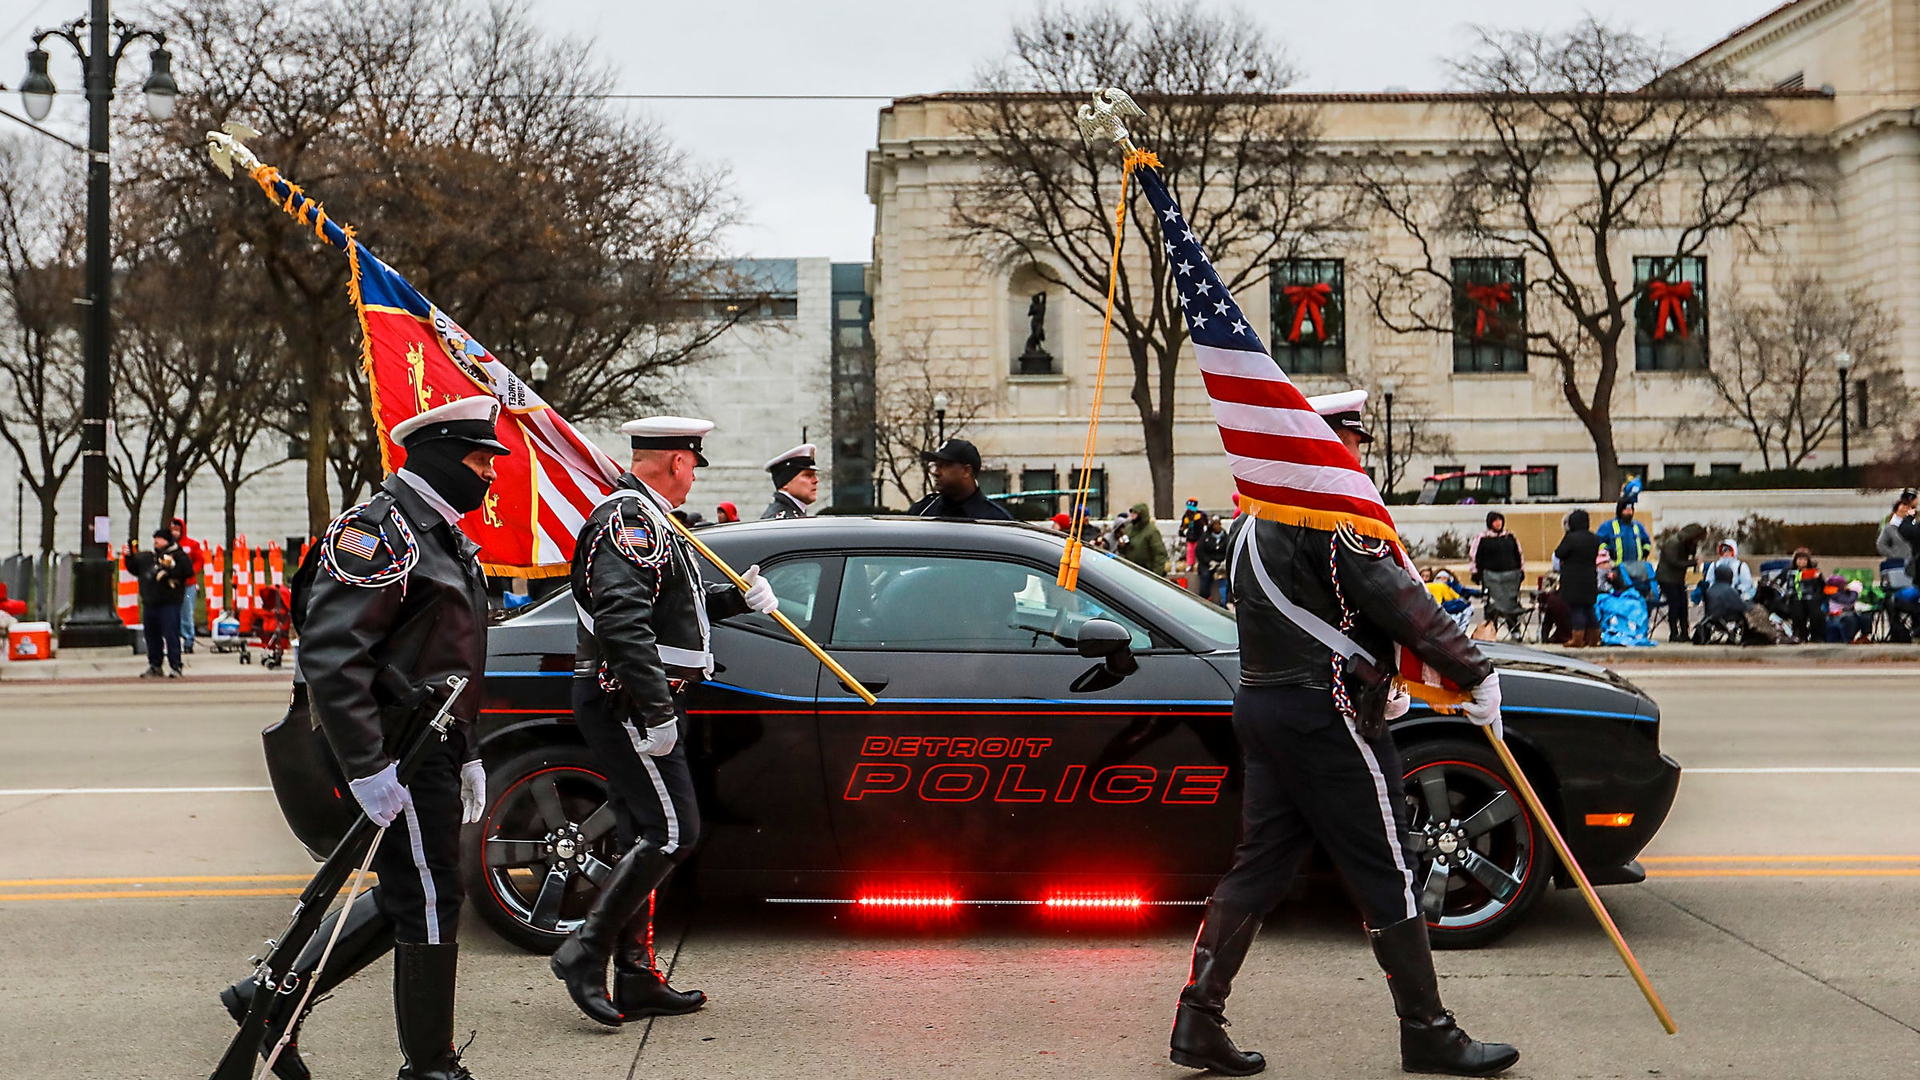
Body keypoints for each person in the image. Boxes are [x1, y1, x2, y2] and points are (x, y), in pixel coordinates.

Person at [1171, 387, 1516, 1079]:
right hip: (1326, 715)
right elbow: (1401, 603)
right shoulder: (1331, 519)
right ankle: (1428, 1031)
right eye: (1351, 440)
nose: (1357, 453)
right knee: (1387, 866)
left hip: (1268, 709)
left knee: (1261, 868)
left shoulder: (1248, 526)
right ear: (1324, 445)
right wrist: (1473, 670)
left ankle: (1197, 1019)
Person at [220, 397, 506, 1080]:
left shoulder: (441, 535)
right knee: (432, 898)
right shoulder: (382, 530)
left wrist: (466, 750)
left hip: (430, 749)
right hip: (393, 753)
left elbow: (447, 658)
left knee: (421, 891)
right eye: (478, 460)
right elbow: (332, 654)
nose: (490, 475)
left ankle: (268, 995)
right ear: (436, 455)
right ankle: (430, 1067)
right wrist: (367, 765)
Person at [551, 416, 779, 1027]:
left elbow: (669, 608)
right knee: (673, 833)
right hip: (629, 699)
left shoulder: (650, 518)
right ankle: (585, 951)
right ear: (678, 462)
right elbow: (623, 624)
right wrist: (655, 711)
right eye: (691, 466)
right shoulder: (631, 520)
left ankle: (636, 975)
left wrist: (738, 598)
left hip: (637, 697)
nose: (692, 480)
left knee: (641, 836)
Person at [125, 528, 193, 678]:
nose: (156, 541)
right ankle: (155, 665)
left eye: (159, 538)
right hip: (150, 602)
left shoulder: (178, 555)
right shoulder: (149, 557)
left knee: (171, 633)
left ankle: (175, 665)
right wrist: (129, 557)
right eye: (155, 538)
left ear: (167, 540)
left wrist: (169, 573)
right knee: (151, 635)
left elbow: (188, 571)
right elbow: (135, 569)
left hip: (170, 602)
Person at [908, 438, 1013, 520]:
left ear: (966, 471)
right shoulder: (922, 512)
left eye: (944, 465)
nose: (936, 472)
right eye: (936, 465)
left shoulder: (995, 519)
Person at [1469, 512, 1524, 638]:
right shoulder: (1482, 538)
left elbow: (1519, 554)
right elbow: (1474, 555)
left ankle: (1514, 629)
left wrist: (1521, 571)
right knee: (1492, 605)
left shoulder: (1510, 537)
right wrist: (1475, 572)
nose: (1498, 523)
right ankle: (1490, 630)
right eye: (1495, 521)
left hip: (1510, 579)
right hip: (1490, 578)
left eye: (1500, 520)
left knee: (1510, 602)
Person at [1552, 509, 1602, 647]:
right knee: (1589, 608)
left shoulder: (1571, 538)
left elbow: (1559, 553)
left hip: (1573, 578)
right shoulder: (1594, 538)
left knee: (1577, 608)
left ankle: (1578, 638)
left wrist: (1567, 535)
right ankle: (1594, 637)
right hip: (1590, 576)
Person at [1654, 523, 1707, 644]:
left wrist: (1693, 549)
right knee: (1675, 603)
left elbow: (1687, 555)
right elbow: (1675, 562)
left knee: (1683, 604)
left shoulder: (1685, 543)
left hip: (1677, 578)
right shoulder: (1673, 543)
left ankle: (1684, 632)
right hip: (1666, 578)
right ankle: (1673, 632)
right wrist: (1692, 563)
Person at [1595, 500, 1652, 594]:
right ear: (1620, 511)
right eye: (1626, 509)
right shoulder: (1608, 526)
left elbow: (1646, 541)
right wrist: (1608, 552)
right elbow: (1600, 543)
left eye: (1631, 510)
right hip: (1618, 570)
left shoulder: (1638, 526)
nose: (1629, 512)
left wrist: (1646, 550)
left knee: (1640, 593)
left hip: (1636, 569)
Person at [170, 516, 205, 653]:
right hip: (173, 584)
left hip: (188, 584)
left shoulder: (191, 545)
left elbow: (199, 560)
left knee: (186, 612)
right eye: (173, 530)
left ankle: (188, 640)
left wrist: (191, 572)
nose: (175, 533)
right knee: (172, 612)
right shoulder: (169, 545)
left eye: (177, 530)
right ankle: (175, 639)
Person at [760, 443, 818, 520]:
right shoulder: (782, 519)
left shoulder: (791, 514)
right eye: (808, 475)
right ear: (785, 482)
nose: (816, 480)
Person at [1782, 547, 1826, 644]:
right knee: (1797, 609)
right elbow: (1779, 583)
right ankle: (1799, 634)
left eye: (1804, 560)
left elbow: (1822, 587)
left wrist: (1817, 579)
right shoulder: (1789, 571)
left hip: (1811, 598)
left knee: (1815, 611)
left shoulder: (1814, 572)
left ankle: (1816, 636)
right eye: (1800, 559)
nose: (1802, 562)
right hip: (1794, 598)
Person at [1115, 503, 1169, 575]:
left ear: (1141, 515)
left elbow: (1160, 554)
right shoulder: (1129, 528)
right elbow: (1123, 551)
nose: (1132, 516)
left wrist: (1156, 574)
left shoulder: (1151, 531)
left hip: (1146, 570)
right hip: (1130, 569)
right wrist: (1121, 545)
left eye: (1135, 513)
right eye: (1132, 513)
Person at [1197, 516, 1231, 607]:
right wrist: (1209, 562)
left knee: (1226, 578)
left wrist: (1224, 561)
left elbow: (1229, 550)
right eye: (1215, 524)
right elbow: (1200, 552)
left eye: (1218, 524)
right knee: (1205, 576)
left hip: (1222, 563)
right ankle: (1205, 599)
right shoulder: (1205, 537)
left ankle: (1225, 601)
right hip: (1208, 564)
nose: (1217, 526)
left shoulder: (1226, 537)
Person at [1180, 498, 1205, 567]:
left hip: (1199, 536)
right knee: (1190, 551)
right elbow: (1183, 526)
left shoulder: (1200, 515)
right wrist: (1182, 531)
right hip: (1190, 537)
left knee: (1199, 550)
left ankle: (1199, 564)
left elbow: (1204, 524)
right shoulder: (1185, 517)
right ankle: (1190, 564)